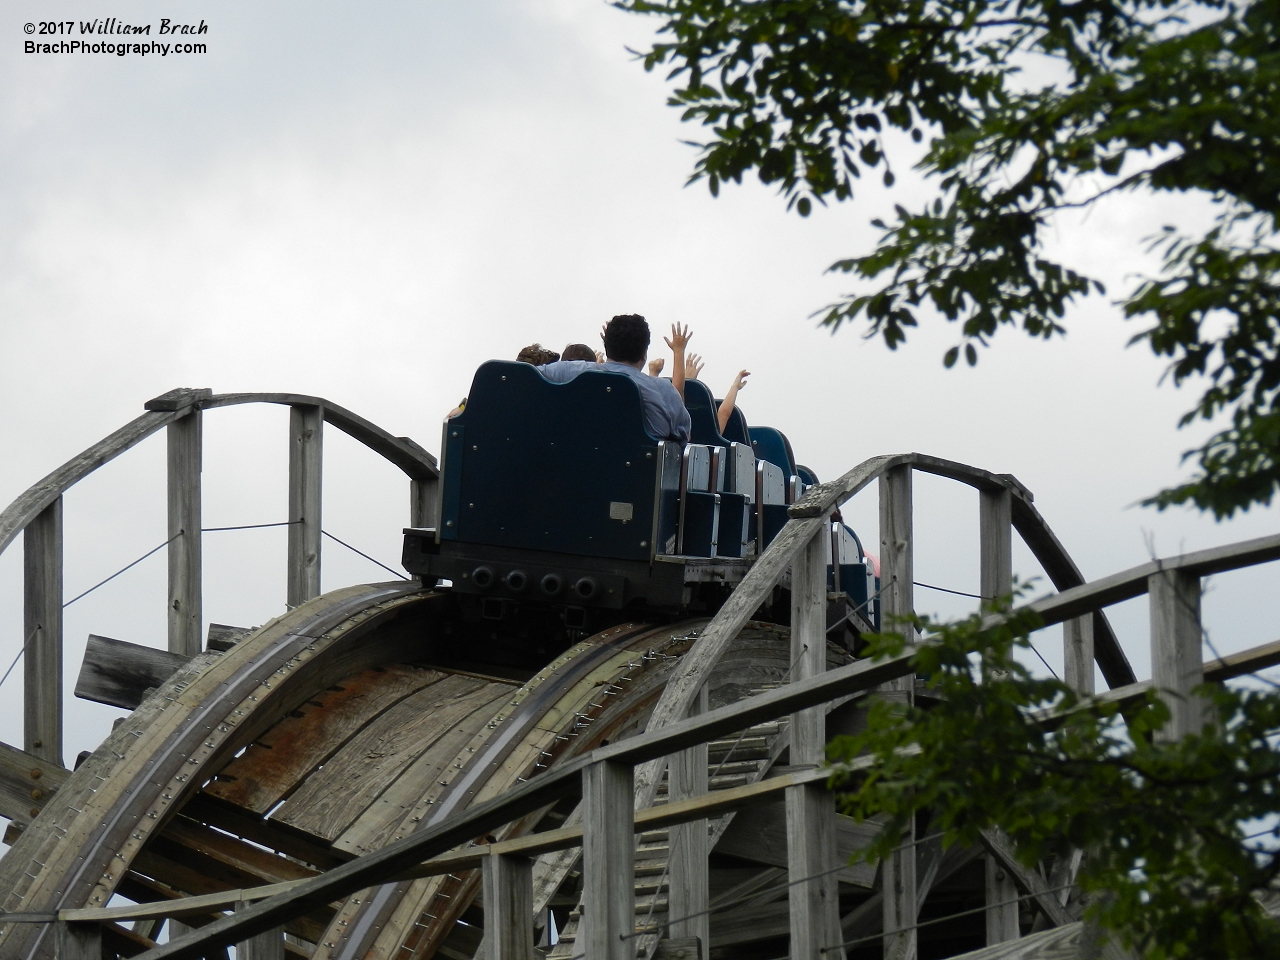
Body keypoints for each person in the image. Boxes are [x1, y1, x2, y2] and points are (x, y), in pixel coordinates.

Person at [538, 314, 692, 442]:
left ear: (607, 346)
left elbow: (521, 377)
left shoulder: (568, 372)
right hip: (640, 477)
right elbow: (683, 439)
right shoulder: (664, 391)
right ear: (644, 353)